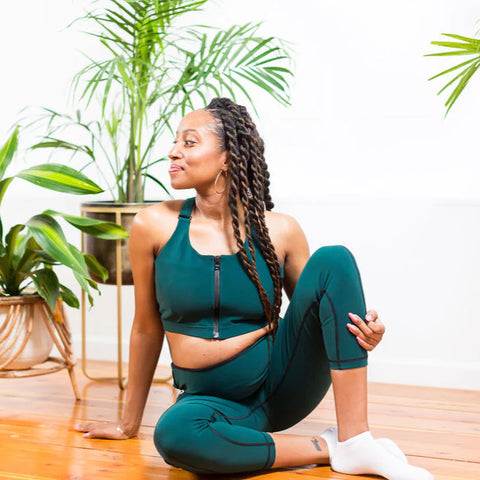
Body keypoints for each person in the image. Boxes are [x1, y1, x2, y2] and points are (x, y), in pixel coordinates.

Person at [75, 98, 433, 480]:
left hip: (281, 388)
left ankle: (357, 437)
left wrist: (365, 331)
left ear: (228, 156)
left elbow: (317, 311)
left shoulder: (280, 230)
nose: (173, 151)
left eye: (190, 142)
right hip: (206, 402)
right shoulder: (153, 225)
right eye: (175, 141)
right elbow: (146, 327)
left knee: (334, 259)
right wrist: (129, 424)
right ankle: (334, 448)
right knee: (173, 436)